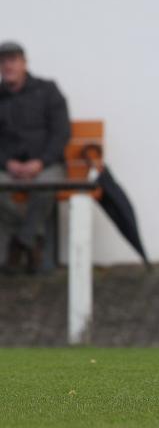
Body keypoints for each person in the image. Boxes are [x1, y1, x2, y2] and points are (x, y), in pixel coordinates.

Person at [0, 42, 70, 273]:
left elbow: (61, 132)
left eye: (13, 60)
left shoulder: (47, 90)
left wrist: (41, 162)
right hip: (7, 168)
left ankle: (20, 242)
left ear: (24, 63)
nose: (7, 65)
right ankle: (30, 238)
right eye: (3, 61)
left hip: (45, 164)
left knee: (47, 184)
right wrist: (7, 162)